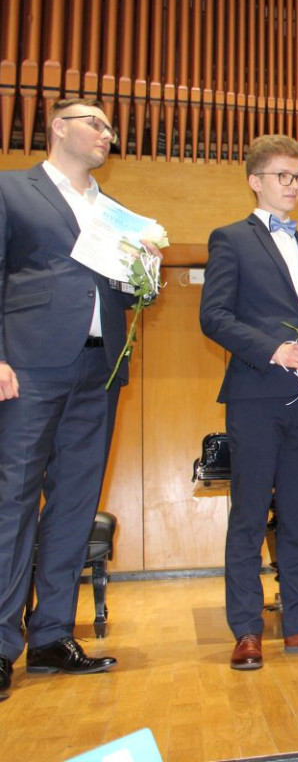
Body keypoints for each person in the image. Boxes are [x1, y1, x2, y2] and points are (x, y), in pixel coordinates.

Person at [0, 98, 159, 700]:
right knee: (11, 498)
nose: (107, 134)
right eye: (95, 122)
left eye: (111, 129)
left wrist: (144, 272)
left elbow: (128, 293)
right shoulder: (11, 191)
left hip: (100, 368)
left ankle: (50, 637)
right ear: (58, 128)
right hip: (29, 364)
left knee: (74, 503)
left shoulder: (119, 214)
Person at [200, 134, 298, 669]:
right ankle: (246, 630)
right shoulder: (230, 238)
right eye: (282, 176)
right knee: (248, 516)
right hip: (255, 393)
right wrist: (275, 349)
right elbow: (214, 316)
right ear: (255, 181)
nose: (292, 185)